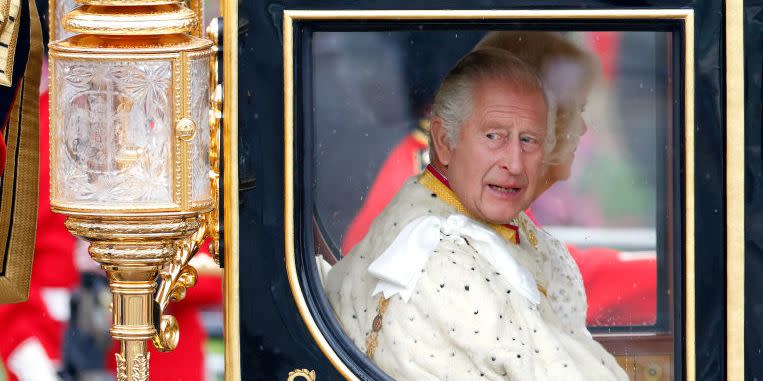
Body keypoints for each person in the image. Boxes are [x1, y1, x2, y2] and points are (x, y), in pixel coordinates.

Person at [325, 48, 627, 380]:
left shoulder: (472, 210)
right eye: (493, 136)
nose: (513, 163)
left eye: (529, 140)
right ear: (443, 141)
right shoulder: (442, 261)